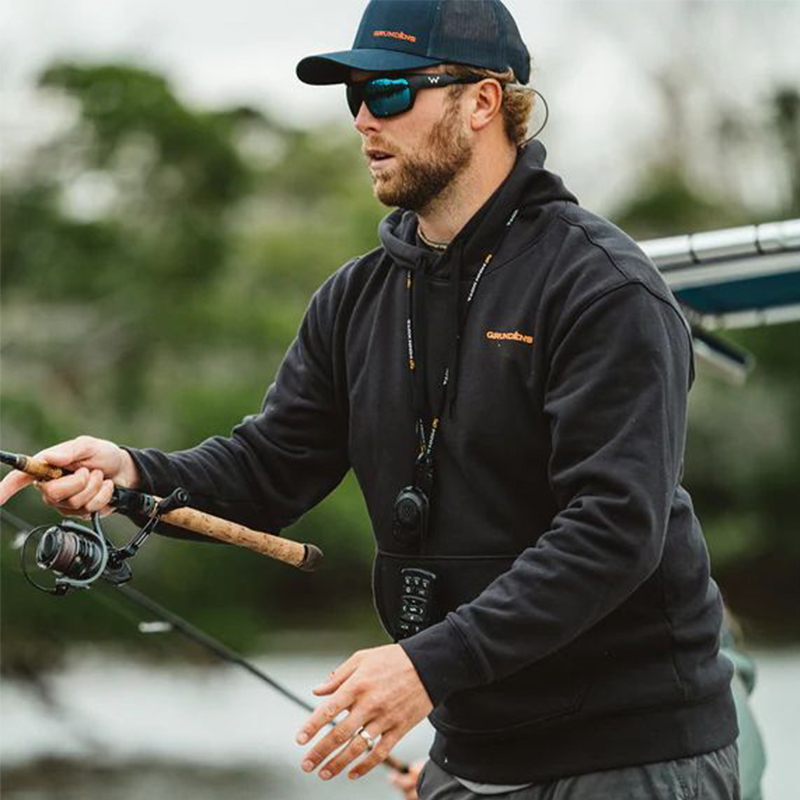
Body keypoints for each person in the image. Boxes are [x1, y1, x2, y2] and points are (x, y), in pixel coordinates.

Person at [0, 1, 741, 797]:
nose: (362, 119)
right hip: (475, 757)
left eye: (388, 91)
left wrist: (427, 667)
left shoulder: (603, 289)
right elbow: (272, 466)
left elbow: (614, 530)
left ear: (483, 102)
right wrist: (133, 472)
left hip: (632, 759)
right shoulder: (355, 299)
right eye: (351, 94)